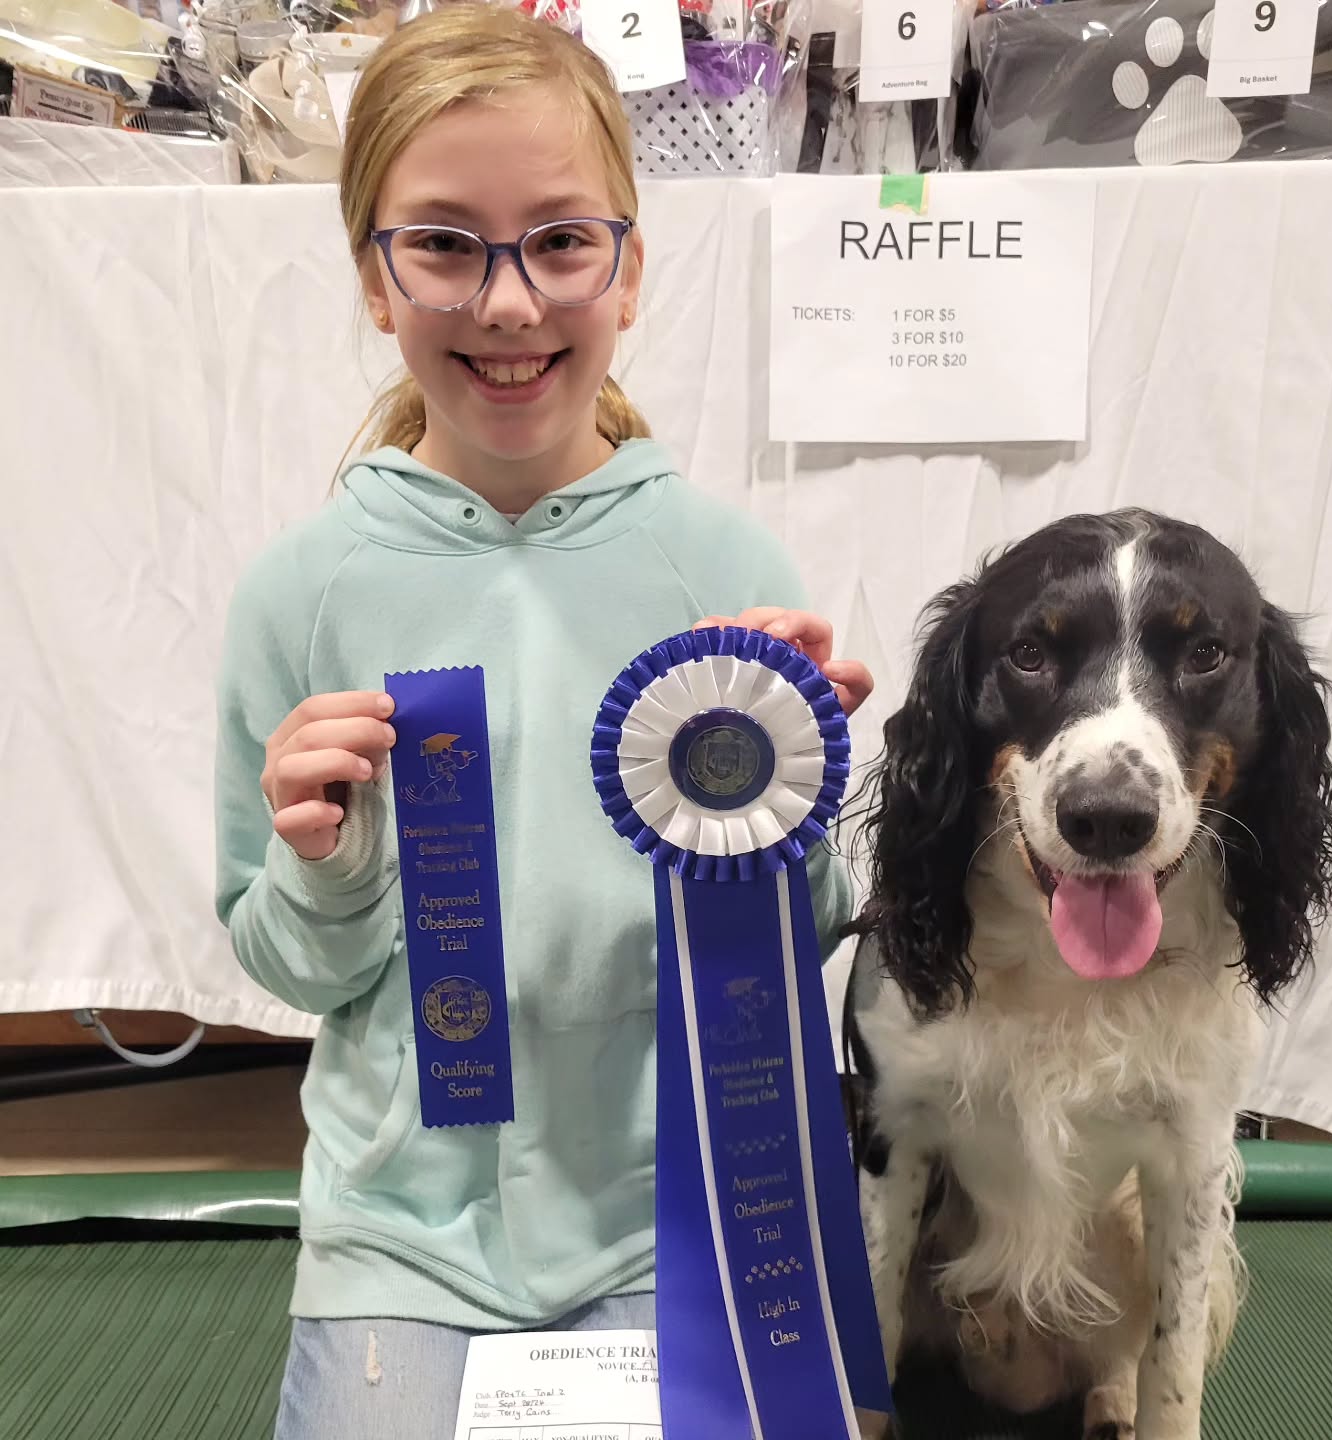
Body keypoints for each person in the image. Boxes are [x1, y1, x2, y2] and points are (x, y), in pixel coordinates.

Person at [212, 8, 874, 1438]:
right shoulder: (300, 595)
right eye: (446, 245)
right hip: (401, 1237)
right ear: (375, 279)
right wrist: (324, 866)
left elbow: (806, 931)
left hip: (674, 1218)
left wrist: (796, 809)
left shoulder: (726, 574)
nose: (509, 304)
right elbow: (280, 958)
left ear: (629, 271)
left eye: (561, 241)